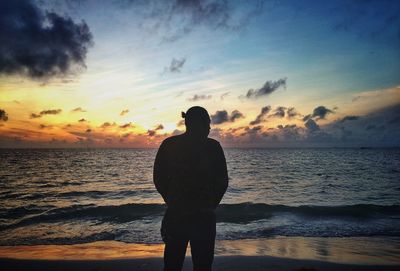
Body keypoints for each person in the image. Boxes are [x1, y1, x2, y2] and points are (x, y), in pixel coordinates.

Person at [153, 106, 229, 271]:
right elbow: (222, 181)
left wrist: (172, 200)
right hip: (199, 217)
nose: (209, 128)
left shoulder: (170, 144)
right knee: (199, 265)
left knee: (174, 264)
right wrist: (209, 204)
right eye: (207, 123)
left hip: (181, 214)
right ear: (196, 123)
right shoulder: (212, 147)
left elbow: (158, 178)